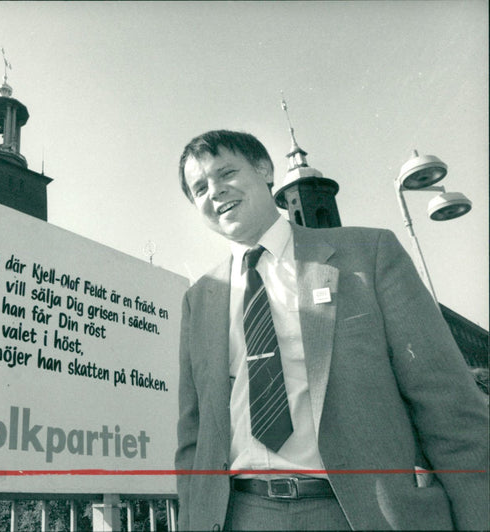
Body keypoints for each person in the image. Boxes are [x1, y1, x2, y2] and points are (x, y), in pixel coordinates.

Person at [174, 129, 489, 530]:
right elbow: (193, 435)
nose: (215, 191)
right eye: (199, 187)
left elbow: (449, 408)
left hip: (360, 513)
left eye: (226, 173)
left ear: (265, 170)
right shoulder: (199, 299)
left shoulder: (368, 255)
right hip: (242, 514)